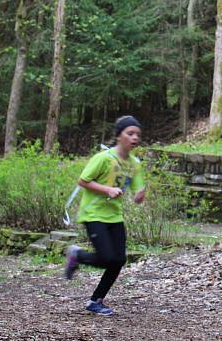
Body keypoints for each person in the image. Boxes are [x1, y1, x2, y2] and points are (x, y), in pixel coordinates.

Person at [64, 115, 146, 316]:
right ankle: (77, 255)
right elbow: (83, 181)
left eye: (137, 134)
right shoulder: (103, 158)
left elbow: (137, 191)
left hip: (114, 217)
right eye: (130, 133)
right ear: (119, 136)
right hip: (93, 214)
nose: (135, 137)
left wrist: (139, 195)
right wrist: (106, 190)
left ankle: (95, 301)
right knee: (108, 257)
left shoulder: (135, 163)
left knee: (118, 260)